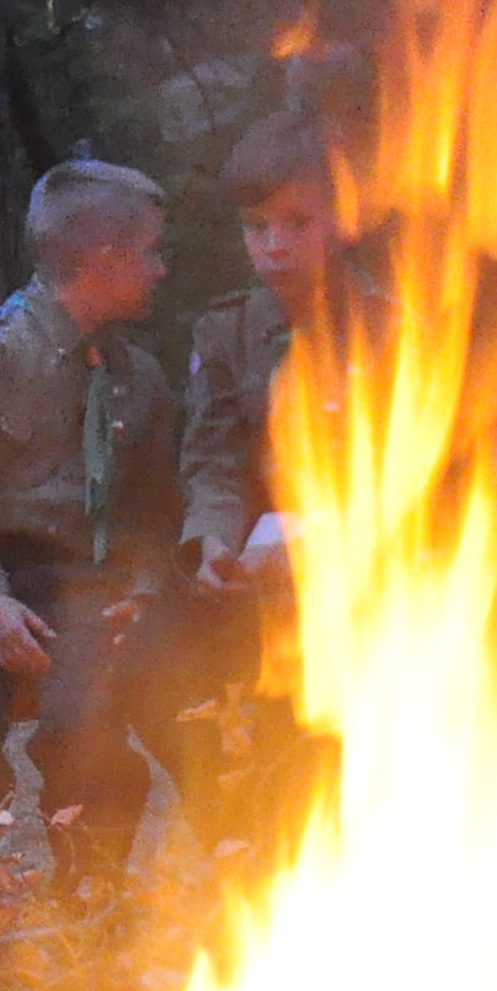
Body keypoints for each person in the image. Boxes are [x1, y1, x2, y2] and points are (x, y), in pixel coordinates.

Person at [0, 160, 189, 888]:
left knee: (86, 721)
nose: (162, 269)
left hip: (83, 580)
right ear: (104, 261)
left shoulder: (139, 376)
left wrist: (143, 587)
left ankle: (90, 899)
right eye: (152, 252)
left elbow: (156, 511)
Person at [176, 108, 383, 856]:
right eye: (258, 227)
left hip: (380, 561)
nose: (276, 245)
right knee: (203, 685)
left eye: (298, 222)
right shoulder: (226, 333)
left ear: (341, 217)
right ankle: (256, 860)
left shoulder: (400, 324)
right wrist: (212, 542)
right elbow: (215, 458)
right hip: (261, 572)